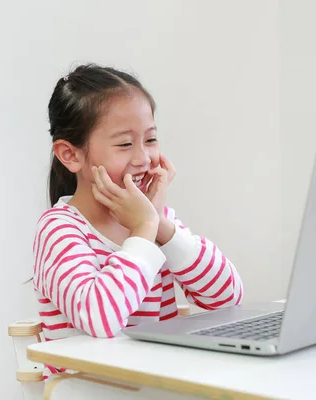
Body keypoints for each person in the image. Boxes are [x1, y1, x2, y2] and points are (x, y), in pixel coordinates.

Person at [31, 63, 243, 377]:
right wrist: (144, 229)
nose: (143, 158)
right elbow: (101, 318)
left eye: (151, 140)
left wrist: (160, 225)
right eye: (125, 144)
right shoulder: (60, 229)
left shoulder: (154, 223)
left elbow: (228, 299)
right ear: (71, 155)